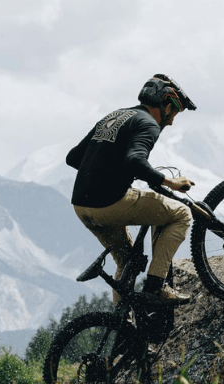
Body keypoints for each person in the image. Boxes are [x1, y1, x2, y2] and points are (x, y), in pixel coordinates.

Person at [66, 74, 196, 304]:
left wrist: (111, 169)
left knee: (127, 262)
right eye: (174, 112)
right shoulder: (148, 123)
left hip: (81, 206)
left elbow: (73, 157)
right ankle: (157, 286)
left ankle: (124, 329)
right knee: (181, 214)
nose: (173, 120)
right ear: (165, 105)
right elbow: (135, 161)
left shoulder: (115, 116)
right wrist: (170, 182)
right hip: (109, 204)